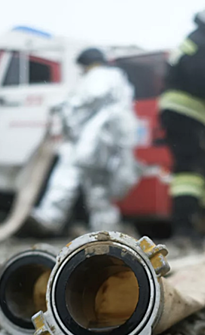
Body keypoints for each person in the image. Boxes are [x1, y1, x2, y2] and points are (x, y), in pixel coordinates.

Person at [24, 47, 140, 235]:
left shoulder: (101, 75)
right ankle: (105, 229)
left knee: (69, 175)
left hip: (96, 141)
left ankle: (50, 218)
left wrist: (63, 105)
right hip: (109, 143)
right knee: (98, 188)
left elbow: (90, 98)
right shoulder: (118, 79)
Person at [158, 1, 205, 245]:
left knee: (199, 172)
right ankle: (184, 230)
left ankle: (201, 228)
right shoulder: (201, 44)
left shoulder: (194, 41)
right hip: (186, 115)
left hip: (184, 115)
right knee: (189, 172)